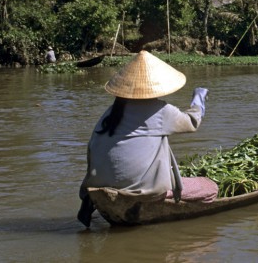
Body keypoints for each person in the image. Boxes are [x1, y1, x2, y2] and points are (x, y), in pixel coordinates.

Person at [77, 50, 209, 227]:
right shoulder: (160, 110)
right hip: (139, 190)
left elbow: (93, 150)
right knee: (210, 188)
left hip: (97, 185)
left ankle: (93, 203)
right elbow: (192, 122)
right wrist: (198, 99)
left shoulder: (111, 112)